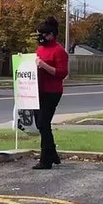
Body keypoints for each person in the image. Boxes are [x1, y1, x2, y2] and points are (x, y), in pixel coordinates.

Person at [34, 17, 69, 170]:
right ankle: (52, 152)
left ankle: (45, 160)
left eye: (44, 34)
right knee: (41, 124)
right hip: (38, 90)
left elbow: (62, 73)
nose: (41, 37)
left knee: (43, 122)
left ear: (52, 35)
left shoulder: (59, 51)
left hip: (52, 91)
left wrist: (44, 65)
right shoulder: (40, 49)